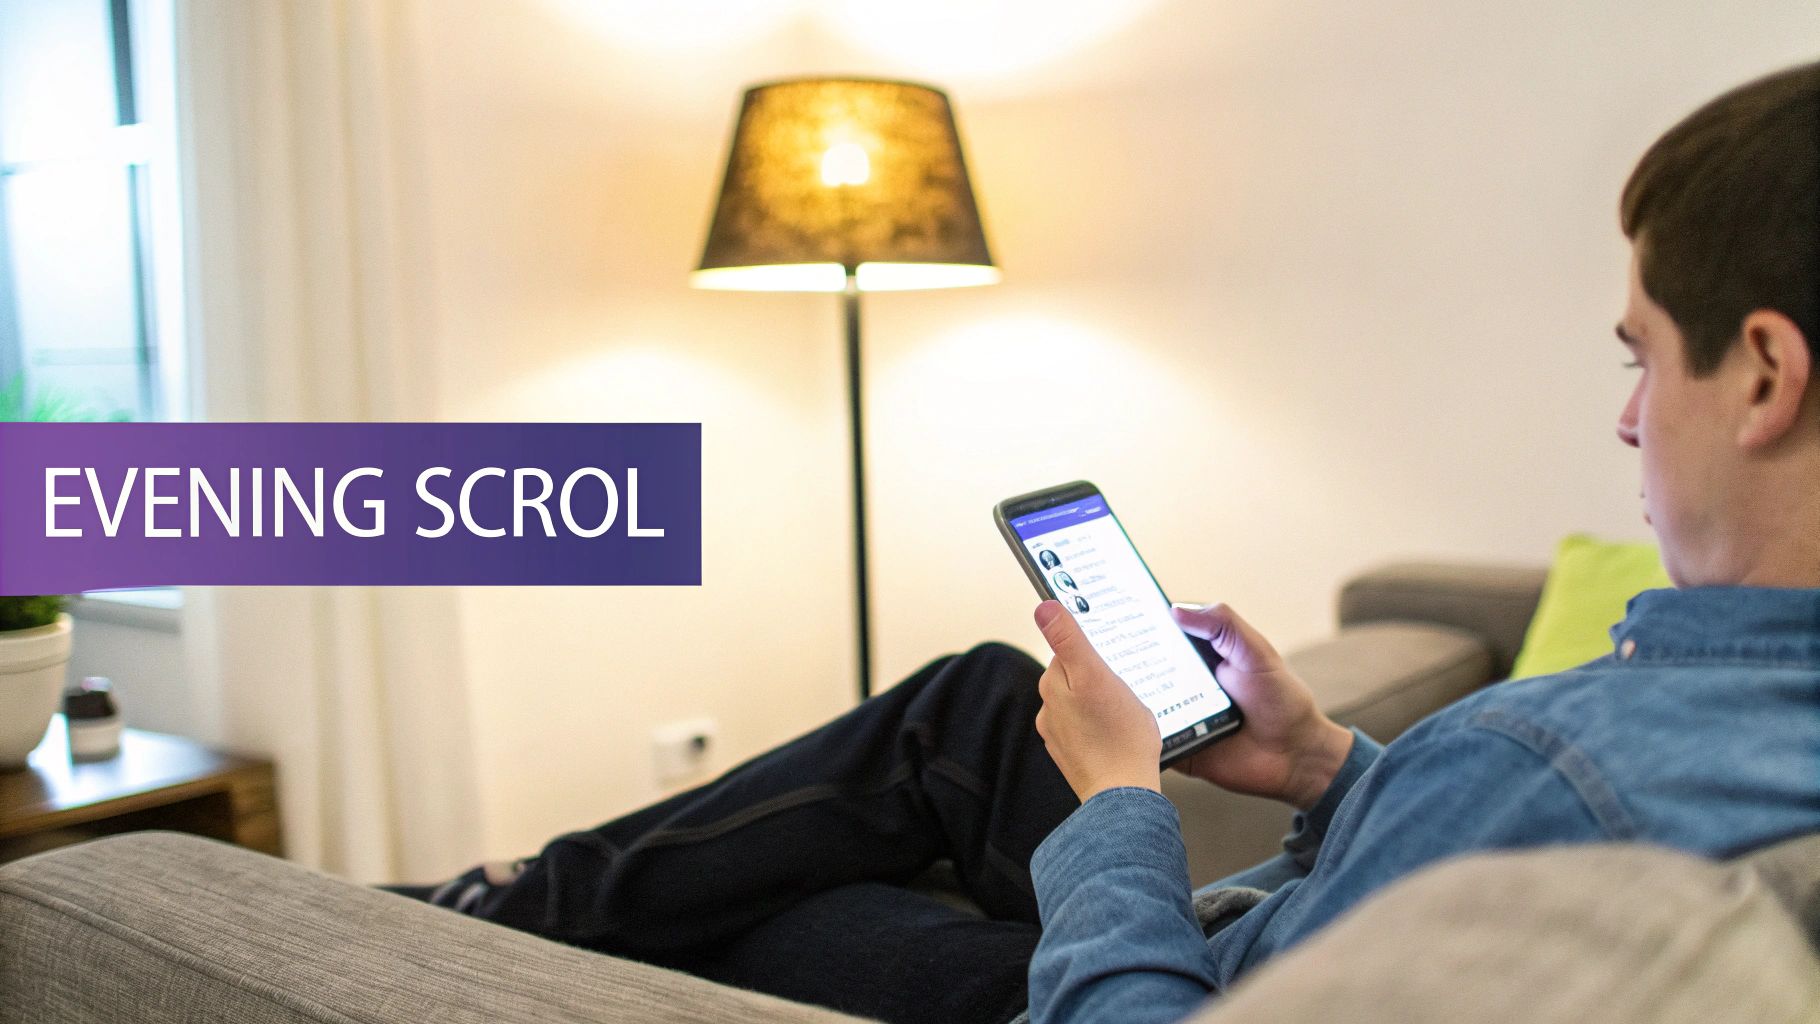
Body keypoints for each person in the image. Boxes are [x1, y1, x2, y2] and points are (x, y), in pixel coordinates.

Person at [393, 62, 1820, 1024]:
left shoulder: (1561, 775)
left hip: (1173, 978)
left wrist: (1121, 801)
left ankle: (445, 938)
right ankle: (505, 900)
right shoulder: (1713, 737)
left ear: (1762, 374)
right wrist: (1318, 759)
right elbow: (1473, 866)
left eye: (1642, 360)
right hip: (1256, 925)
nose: (1632, 421)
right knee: (965, 706)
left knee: (774, 912)